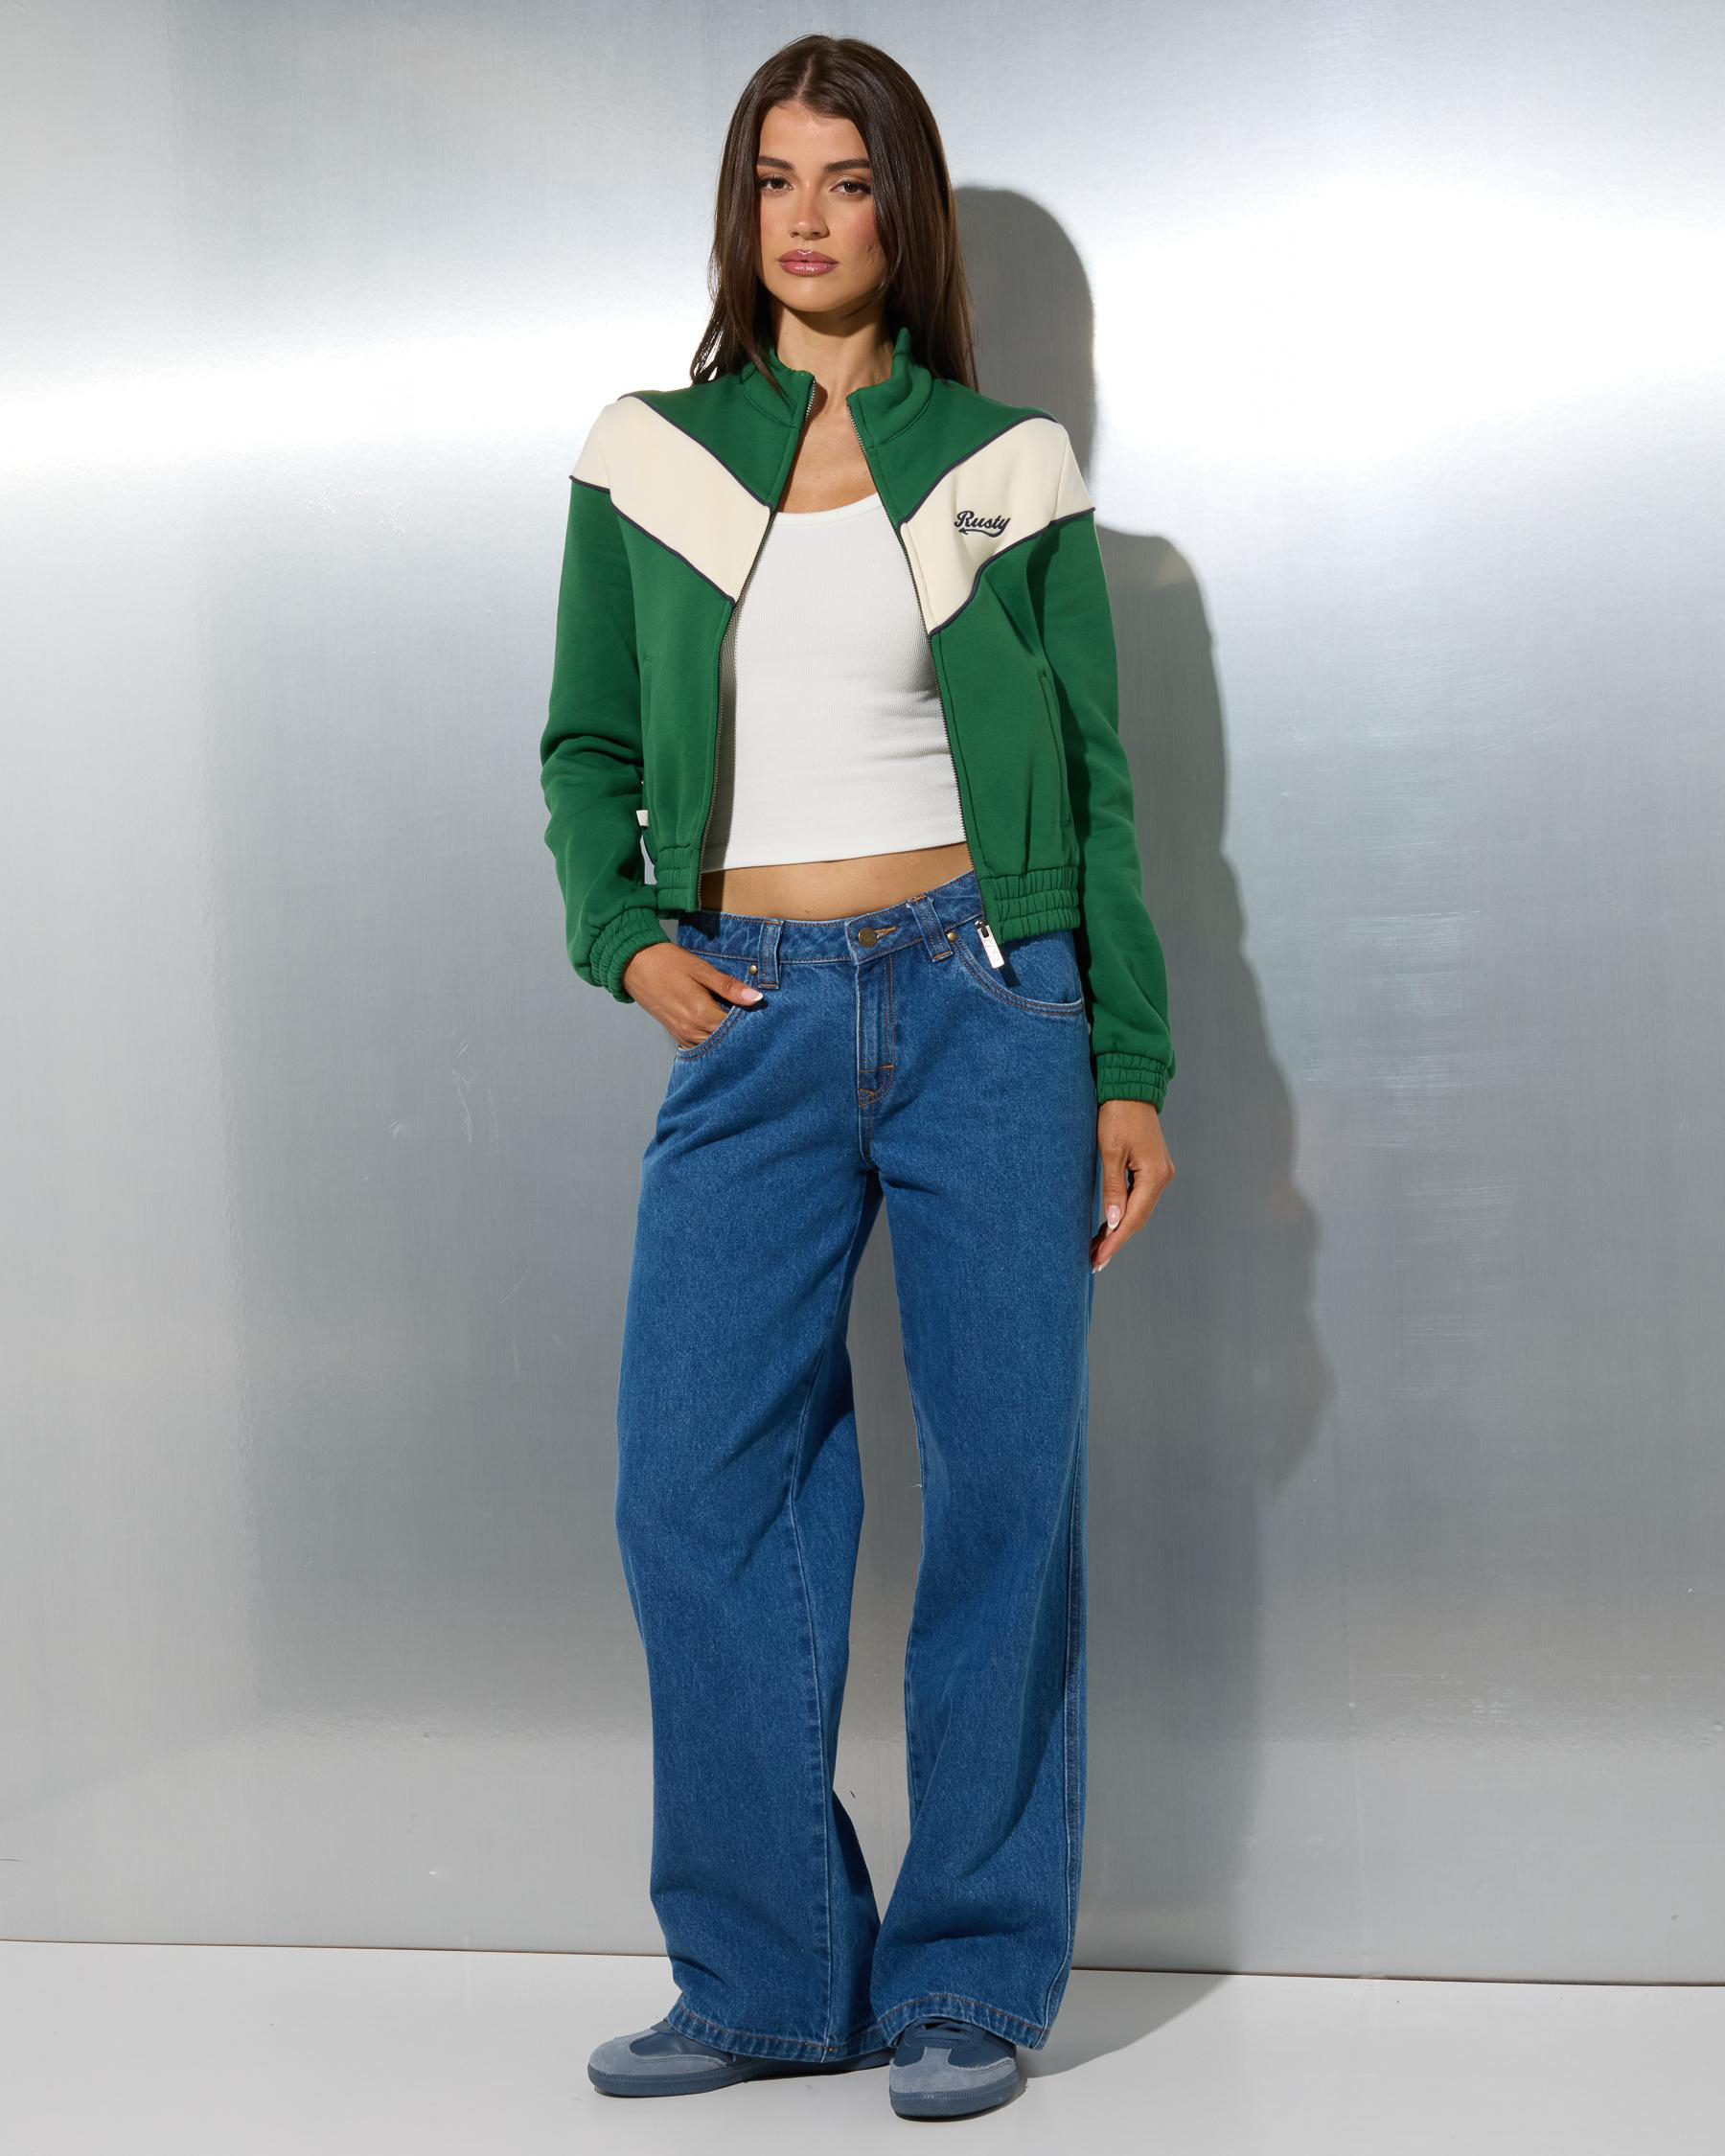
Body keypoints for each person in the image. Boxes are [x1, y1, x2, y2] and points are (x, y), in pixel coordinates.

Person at [539, 34, 1175, 2122]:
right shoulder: (650, 458)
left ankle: (970, 1974)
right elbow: (586, 749)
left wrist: (1129, 1057)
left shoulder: (1005, 463)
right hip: (752, 1009)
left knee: (1006, 1492)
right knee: (692, 1488)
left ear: (904, 208)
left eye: (848, 180)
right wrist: (627, 938)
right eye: (774, 180)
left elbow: (1093, 783)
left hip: (992, 996)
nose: (807, 218)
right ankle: (770, 1973)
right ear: (741, 210)